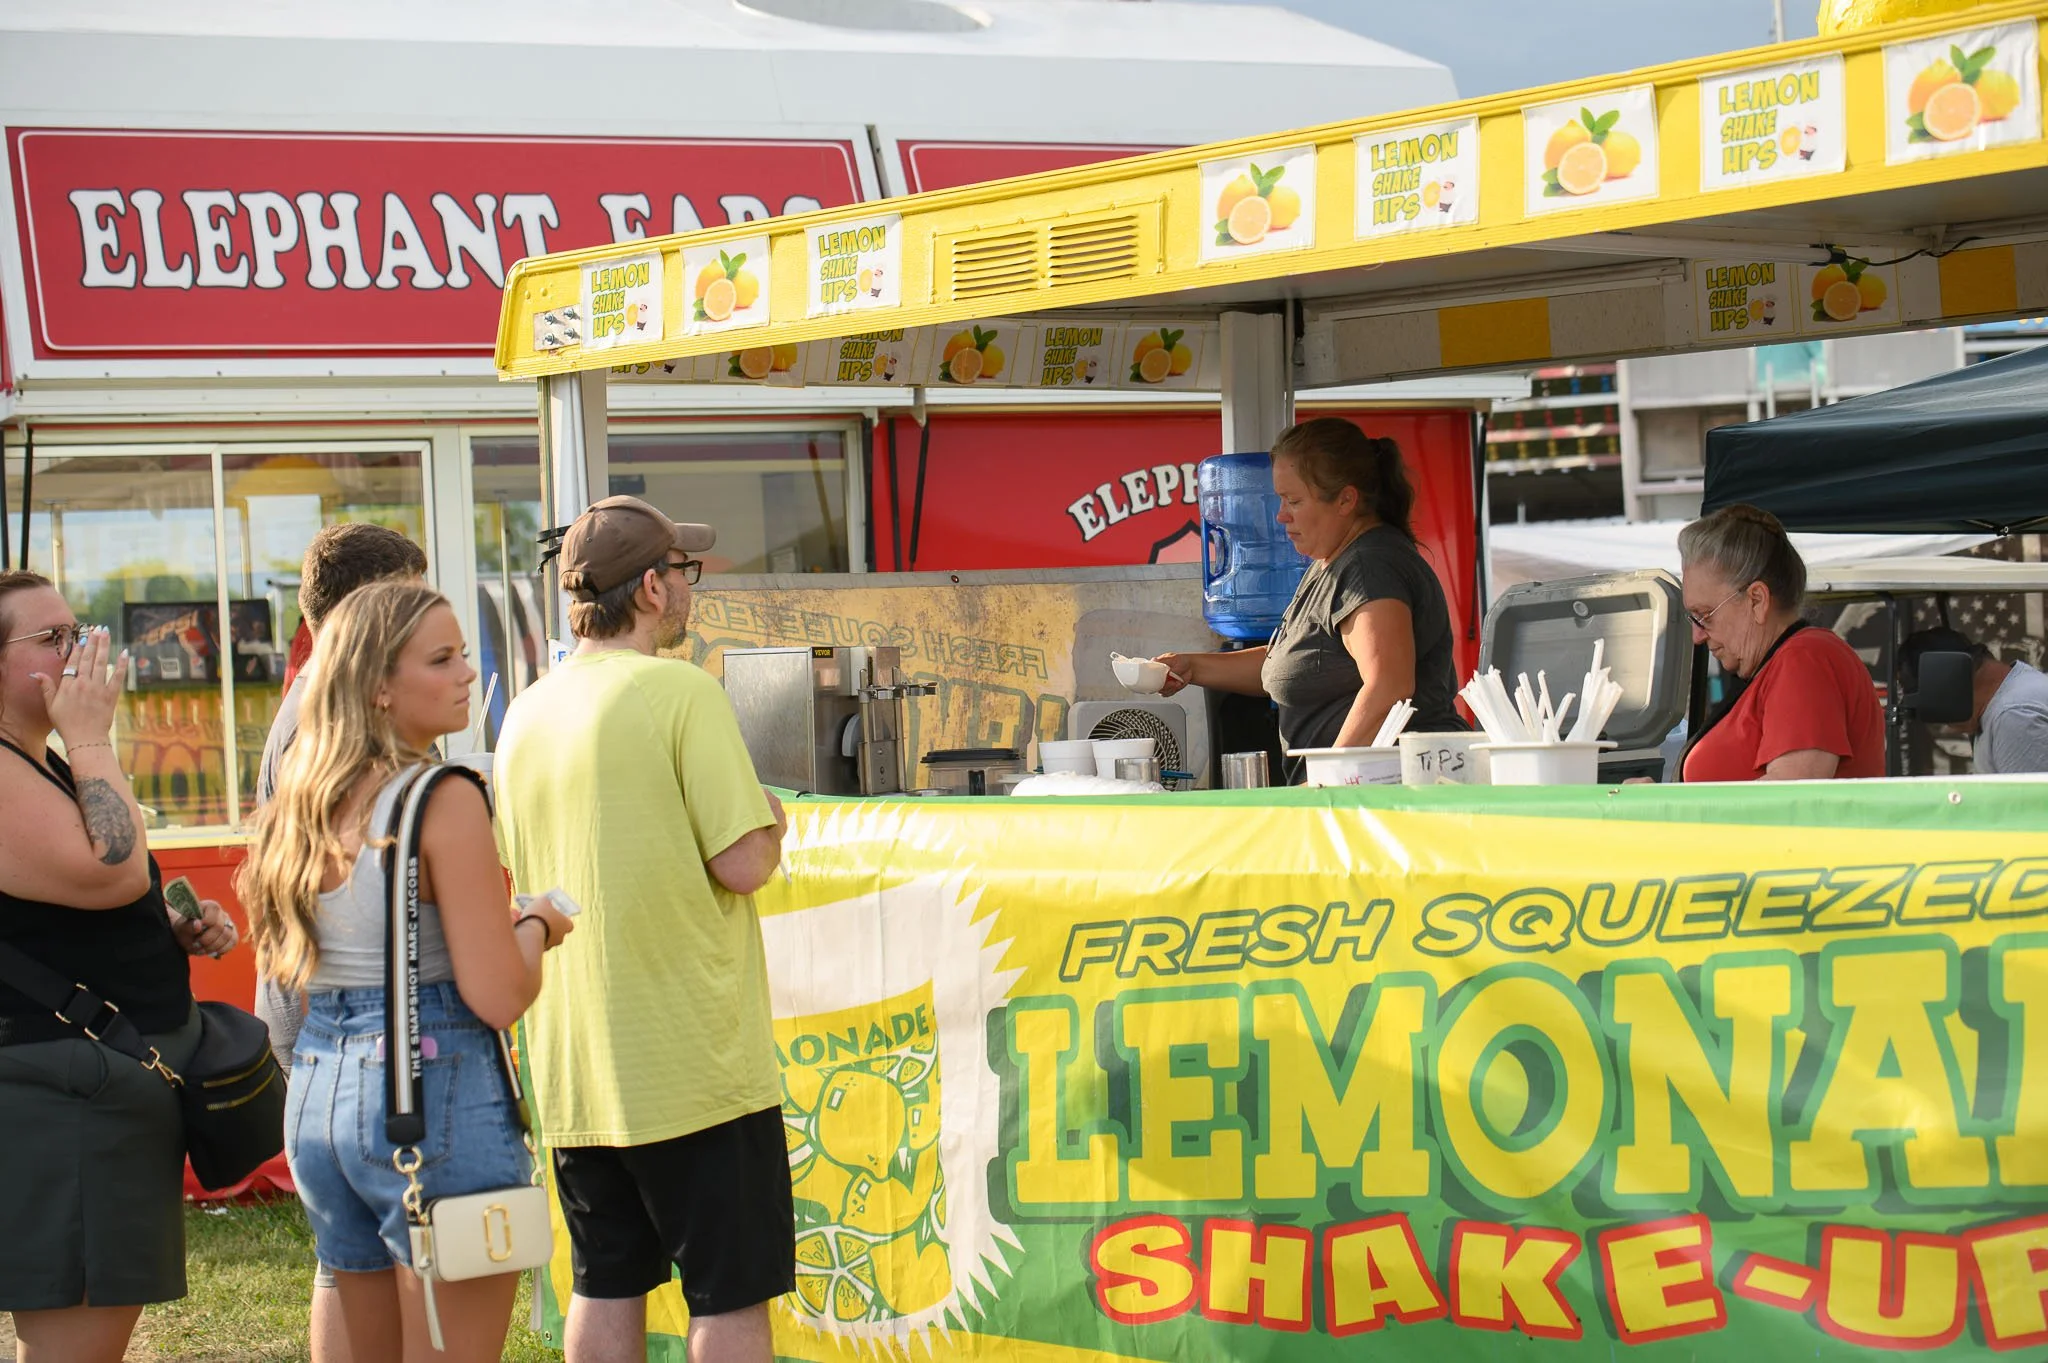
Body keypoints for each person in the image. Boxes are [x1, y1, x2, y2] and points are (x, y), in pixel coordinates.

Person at [235, 580, 574, 1363]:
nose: (468, 673)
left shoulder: (305, 798)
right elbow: (497, 993)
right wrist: (537, 925)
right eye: (442, 658)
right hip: (430, 1090)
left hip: (320, 1093)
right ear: (379, 685)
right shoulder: (442, 796)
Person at [493, 496, 793, 1363]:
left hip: (576, 1062)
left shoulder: (525, 713)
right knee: (728, 1291)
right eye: (684, 571)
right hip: (694, 1058)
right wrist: (771, 818)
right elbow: (744, 862)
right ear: (654, 588)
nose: (691, 588)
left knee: (604, 1280)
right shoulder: (682, 691)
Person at [0, 571, 238, 1363]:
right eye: (51, 639)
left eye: (79, 632)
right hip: (66, 1099)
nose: (79, 653)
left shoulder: (37, 759)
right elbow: (111, 869)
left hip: (90, 1088)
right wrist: (93, 738)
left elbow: (84, 899)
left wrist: (166, 929)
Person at [253, 522, 427, 1363]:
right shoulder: (335, 714)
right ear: (368, 610)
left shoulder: (314, 702)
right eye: (411, 603)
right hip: (349, 1015)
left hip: (317, 1012)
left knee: (350, 1253)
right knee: (382, 1254)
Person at [1155, 418, 1463, 776]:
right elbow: (1292, 662)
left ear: (1346, 499)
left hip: (1391, 791)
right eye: (1280, 499)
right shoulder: (1331, 561)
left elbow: (1389, 686)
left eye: (1294, 501)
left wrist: (1329, 778)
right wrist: (1191, 667)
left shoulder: (1369, 568)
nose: (1281, 515)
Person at [1677, 504, 1883, 782]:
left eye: (1704, 616)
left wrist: (1670, 802)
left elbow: (1792, 793)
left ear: (1757, 600)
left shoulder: (1803, 659)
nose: (1697, 636)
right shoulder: (1790, 662)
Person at [1901, 626, 2048, 774]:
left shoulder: (2013, 717)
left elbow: (2034, 790)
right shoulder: (2013, 697)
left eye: (1936, 705)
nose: (1948, 726)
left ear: (1949, 680)